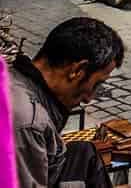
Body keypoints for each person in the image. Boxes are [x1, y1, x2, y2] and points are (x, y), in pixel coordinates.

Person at [8, 17, 124, 188]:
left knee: (85, 153)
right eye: (96, 84)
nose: (89, 98)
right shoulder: (27, 121)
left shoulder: (15, 79)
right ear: (77, 70)